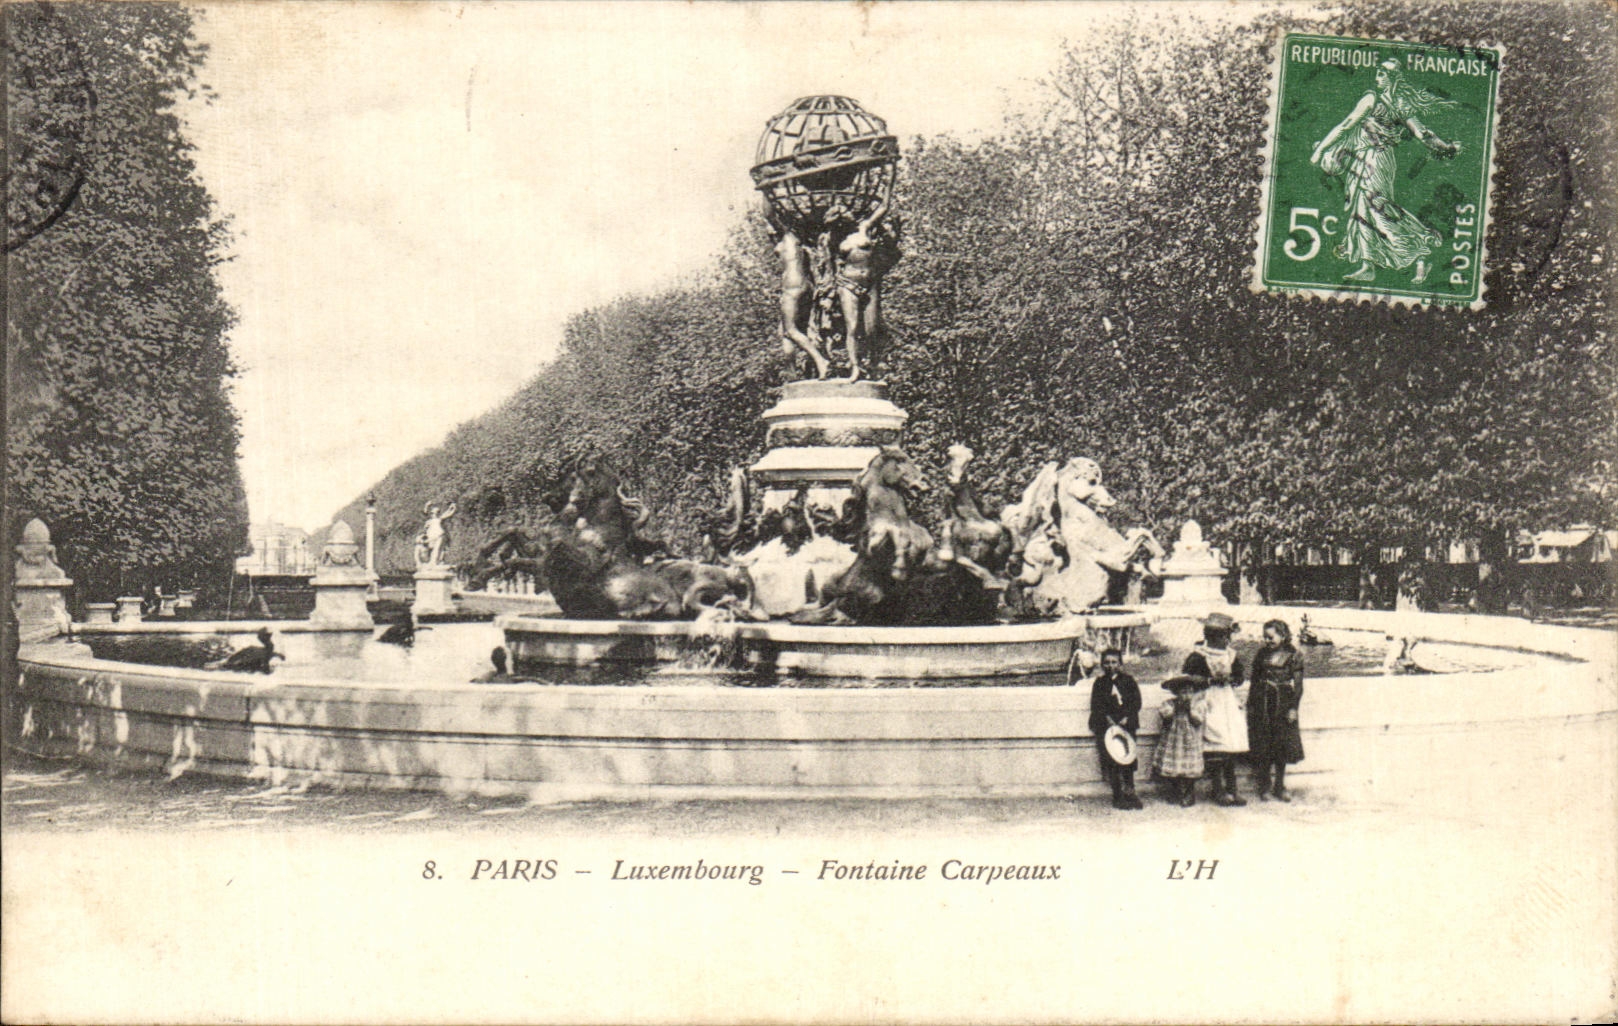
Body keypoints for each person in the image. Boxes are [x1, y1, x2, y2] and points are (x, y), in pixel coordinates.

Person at [1311, 59, 1462, 285]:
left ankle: (1419, 252)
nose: (1377, 77)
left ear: (1392, 77)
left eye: (1382, 73)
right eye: (1378, 72)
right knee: (1365, 208)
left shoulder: (1375, 100)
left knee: (1376, 208)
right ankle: (1368, 265)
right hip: (1371, 159)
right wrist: (1447, 147)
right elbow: (1424, 135)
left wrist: (1320, 150)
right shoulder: (1398, 104)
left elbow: (1346, 125)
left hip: (1373, 160)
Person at [1183, 611, 1248, 806]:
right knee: (1215, 743)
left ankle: (1232, 788)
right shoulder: (1199, 656)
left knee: (1230, 743)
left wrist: (1232, 679)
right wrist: (1210, 680)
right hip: (1209, 700)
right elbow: (1188, 678)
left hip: (1226, 700)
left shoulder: (1231, 655)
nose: (1226, 640)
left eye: (1227, 637)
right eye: (1221, 637)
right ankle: (1217, 788)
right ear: (1210, 637)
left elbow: (1239, 676)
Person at [1246, 619, 1305, 801]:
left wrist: (1293, 708)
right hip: (1262, 702)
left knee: (1282, 745)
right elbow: (1254, 680)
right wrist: (1251, 704)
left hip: (1282, 702)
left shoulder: (1293, 654)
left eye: (1271, 637)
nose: (1267, 640)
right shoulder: (1262, 654)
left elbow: (1298, 686)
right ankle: (1264, 785)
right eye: (1265, 637)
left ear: (1283, 635)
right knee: (1263, 744)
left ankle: (1280, 785)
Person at [1087, 648, 1143, 810]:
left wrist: (1127, 716)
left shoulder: (1129, 681)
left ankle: (1130, 791)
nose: (1110, 666)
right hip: (1107, 726)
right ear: (1102, 664)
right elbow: (1096, 705)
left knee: (1128, 756)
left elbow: (1136, 702)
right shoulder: (1099, 683)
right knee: (1112, 759)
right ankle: (1117, 794)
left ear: (1120, 663)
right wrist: (1108, 719)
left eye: (1114, 662)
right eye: (1107, 662)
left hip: (1126, 724)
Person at [1153, 675, 1208, 807]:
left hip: (1190, 741)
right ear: (1176, 693)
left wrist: (1189, 710)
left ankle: (1189, 793)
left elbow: (1198, 721)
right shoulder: (1170, 704)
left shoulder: (1197, 705)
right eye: (1183, 692)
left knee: (1189, 769)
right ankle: (1176, 791)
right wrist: (1177, 708)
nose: (1187, 695)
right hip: (1174, 740)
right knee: (1174, 767)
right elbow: (1166, 717)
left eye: (1190, 692)